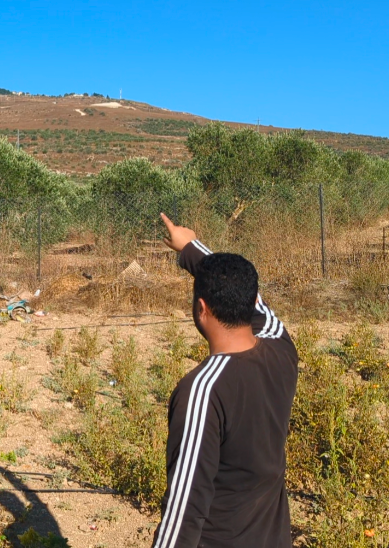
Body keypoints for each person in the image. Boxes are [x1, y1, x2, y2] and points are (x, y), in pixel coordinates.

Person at [151, 213, 298, 548]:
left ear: (201, 308)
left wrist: (189, 248)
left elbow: (185, 509)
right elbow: (259, 305)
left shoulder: (203, 391)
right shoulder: (281, 351)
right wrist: (190, 247)